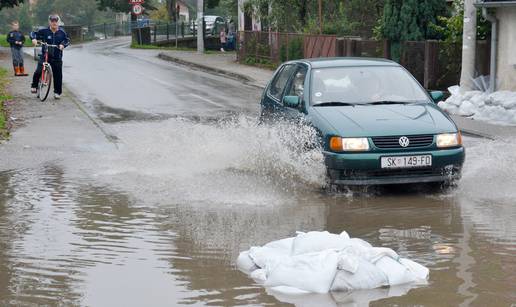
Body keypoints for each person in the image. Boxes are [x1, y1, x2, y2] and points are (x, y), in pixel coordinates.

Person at [30, 15, 70, 99]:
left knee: (58, 75)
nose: (54, 23)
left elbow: (67, 40)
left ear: (58, 22)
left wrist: (63, 45)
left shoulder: (62, 32)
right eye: (52, 21)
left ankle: (57, 92)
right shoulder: (44, 31)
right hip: (45, 56)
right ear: (49, 22)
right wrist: (33, 38)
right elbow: (33, 33)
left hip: (57, 57)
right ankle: (34, 85)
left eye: (56, 21)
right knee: (38, 71)